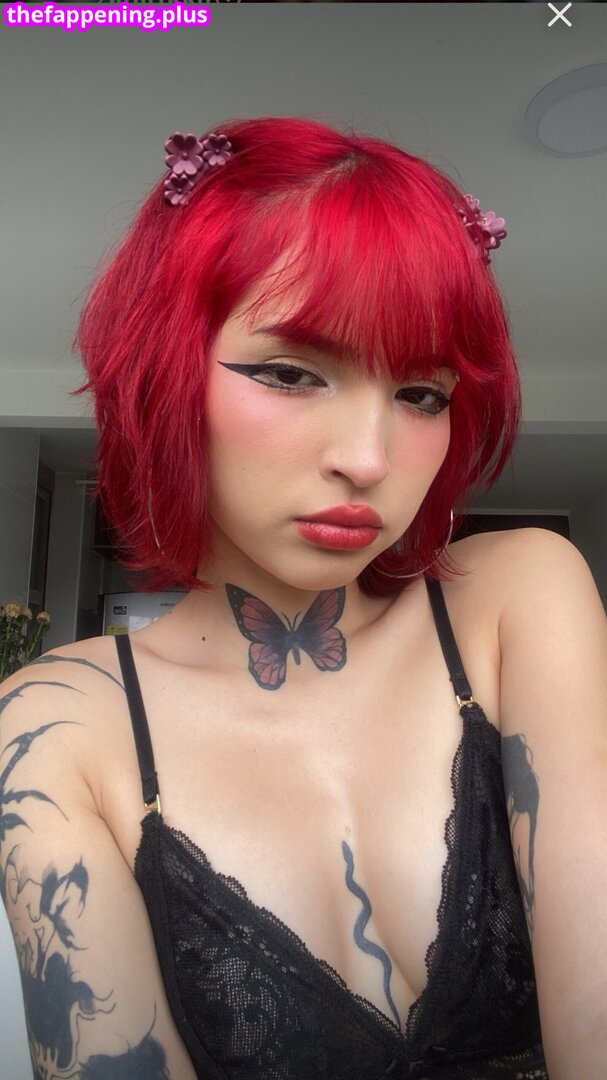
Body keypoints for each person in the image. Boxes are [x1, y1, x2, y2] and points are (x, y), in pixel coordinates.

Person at [1, 115, 606, 1080]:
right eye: (289, 373)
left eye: (421, 395)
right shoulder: (61, 722)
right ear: (165, 372)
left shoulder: (516, 599)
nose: (367, 459)